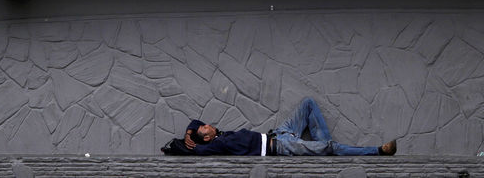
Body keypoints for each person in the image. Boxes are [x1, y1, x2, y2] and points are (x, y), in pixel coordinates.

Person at [161, 97, 397, 156]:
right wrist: (187, 144)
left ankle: (324, 149)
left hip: (279, 132)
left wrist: (190, 130)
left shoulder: (217, 135)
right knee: (329, 146)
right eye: (205, 129)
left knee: (308, 104)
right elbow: (197, 151)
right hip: (282, 148)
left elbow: (195, 122)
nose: (207, 125)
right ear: (207, 139)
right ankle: (377, 151)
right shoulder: (215, 146)